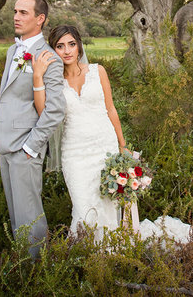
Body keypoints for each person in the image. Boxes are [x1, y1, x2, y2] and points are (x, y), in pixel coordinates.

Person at [32, 25, 126, 241]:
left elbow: (110, 108)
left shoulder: (97, 71)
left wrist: (122, 144)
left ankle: (112, 253)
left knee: (108, 204)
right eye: (60, 46)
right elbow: (43, 112)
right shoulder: (53, 82)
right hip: (74, 153)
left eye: (71, 44)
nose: (67, 51)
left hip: (105, 147)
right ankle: (84, 255)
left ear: (79, 46)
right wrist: (38, 77)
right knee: (83, 207)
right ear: (53, 50)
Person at [0, 0, 66, 259]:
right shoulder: (13, 51)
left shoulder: (49, 58)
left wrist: (32, 147)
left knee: (29, 217)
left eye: (24, 12)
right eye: (15, 11)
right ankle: (21, 267)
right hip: (5, 143)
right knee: (15, 214)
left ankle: (37, 271)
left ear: (40, 19)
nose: (16, 16)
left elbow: (55, 109)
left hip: (25, 147)